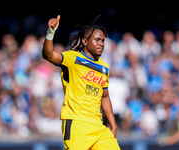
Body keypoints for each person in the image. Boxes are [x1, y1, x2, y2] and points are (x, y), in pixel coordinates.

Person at [42, 15, 121, 150]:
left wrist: (113, 124)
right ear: (85, 42)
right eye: (97, 40)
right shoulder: (72, 58)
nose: (101, 43)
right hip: (76, 123)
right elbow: (48, 55)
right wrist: (50, 32)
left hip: (98, 126)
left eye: (103, 41)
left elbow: (105, 96)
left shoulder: (104, 67)